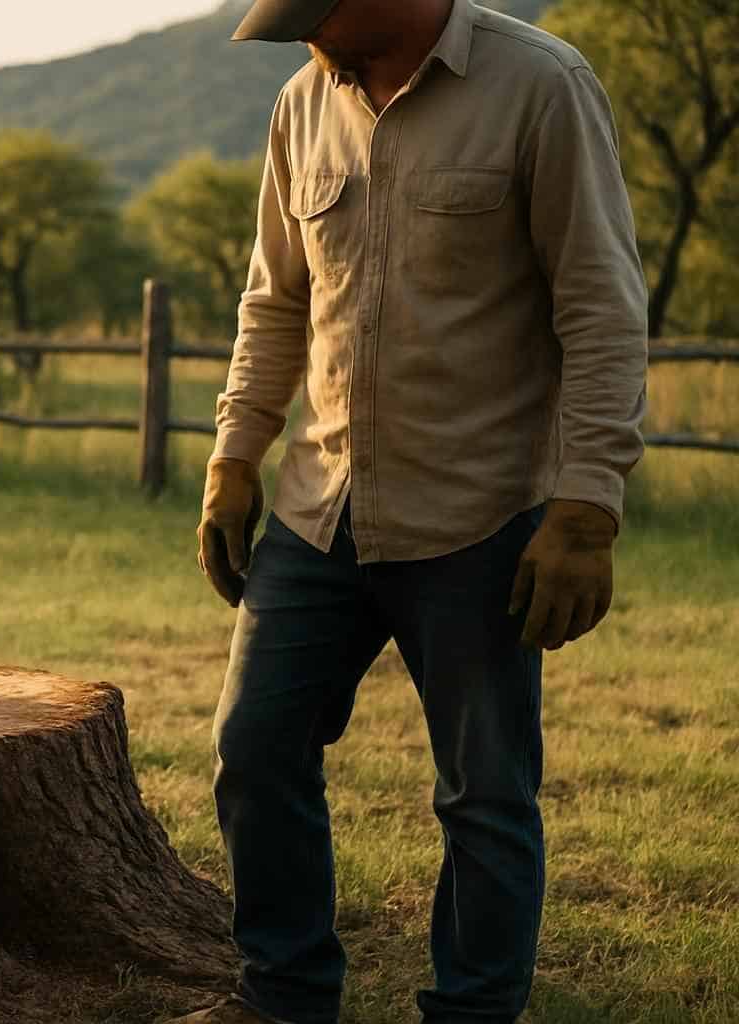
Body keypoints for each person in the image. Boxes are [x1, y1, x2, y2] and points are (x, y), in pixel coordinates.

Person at [180, 0, 649, 1021]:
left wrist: (585, 512)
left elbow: (601, 307)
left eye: (311, 16)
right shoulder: (303, 104)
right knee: (254, 751)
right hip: (319, 508)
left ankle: (474, 1009)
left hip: (481, 513)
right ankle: (284, 995)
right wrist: (235, 454)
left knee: (485, 795)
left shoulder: (541, 87)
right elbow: (275, 302)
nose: (299, 41)